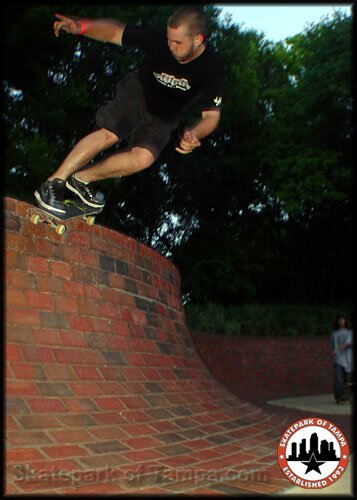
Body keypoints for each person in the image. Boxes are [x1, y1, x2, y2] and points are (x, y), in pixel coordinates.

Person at [34, 7, 224, 215]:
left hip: (164, 117)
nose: (171, 46)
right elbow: (116, 31)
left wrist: (195, 133)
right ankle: (53, 183)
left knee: (143, 159)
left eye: (178, 43)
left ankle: (81, 179)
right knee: (111, 133)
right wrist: (82, 27)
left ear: (198, 39)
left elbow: (211, 116)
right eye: (170, 39)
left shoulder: (211, 66)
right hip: (138, 93)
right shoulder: (157, 39)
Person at [330, 314, 353, 404]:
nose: (341, 321)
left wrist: (337, 350)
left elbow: (348, 344)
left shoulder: (349, 332)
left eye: (342, 320)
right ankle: (338, 397)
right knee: (338, 379)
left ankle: (347, 397)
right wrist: (335, 352)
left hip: (348, 359)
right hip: (338, 359)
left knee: (347, 380)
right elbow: (333, 345)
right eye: (339, 320)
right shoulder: (334, 333)